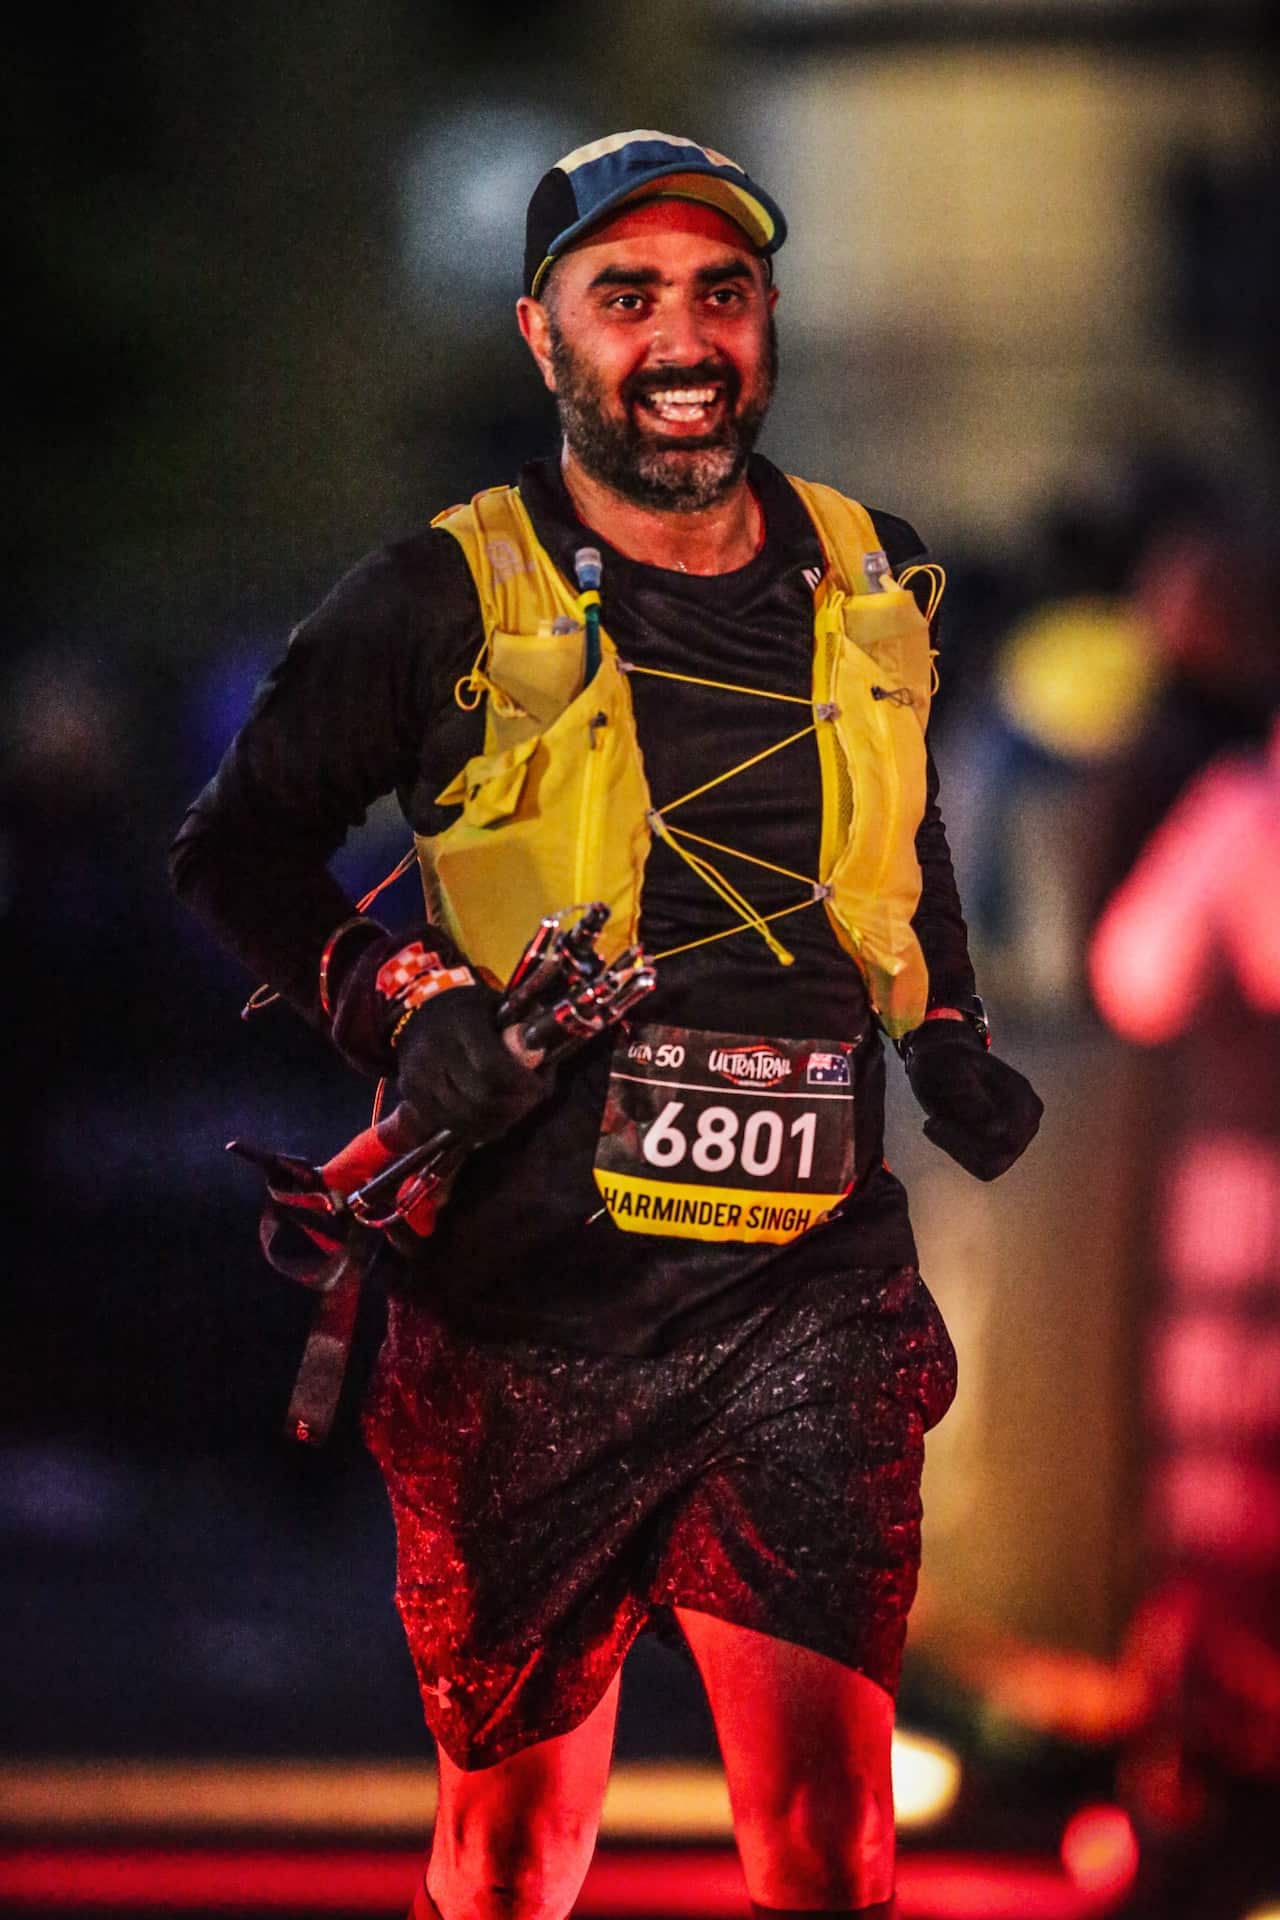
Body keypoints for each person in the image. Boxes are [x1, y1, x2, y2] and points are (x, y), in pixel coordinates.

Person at [171, 131, 1042, 1920]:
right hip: (526, 1322)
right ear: (542, 334)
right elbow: (237, 844)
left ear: (768, 319)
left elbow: (903, 829)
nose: (683, 337)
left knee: (836, 1851)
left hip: (807, 1301)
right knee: (509, 1865)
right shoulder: (435, 594)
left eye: (722, 293)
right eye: (626, 296)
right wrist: (397, 998)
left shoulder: (878, 571)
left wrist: (945, 1028)